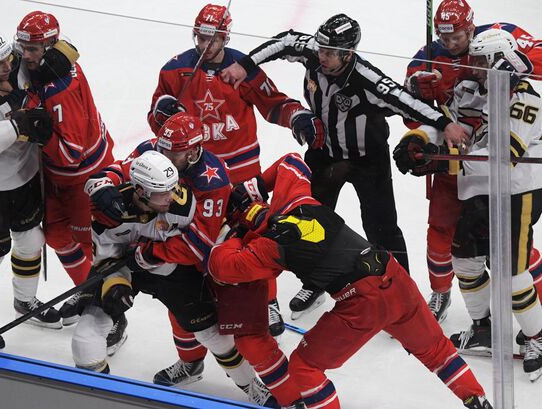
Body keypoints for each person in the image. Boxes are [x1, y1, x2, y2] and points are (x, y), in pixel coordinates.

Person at [220, 13, 470, 320]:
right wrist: (244, 65)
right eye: (321, 49)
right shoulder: (315, 50)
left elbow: (405, 100)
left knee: (381, 228)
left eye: (329, 52)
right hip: (324, 154)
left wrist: (445, 124)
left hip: (368, 161)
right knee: (307, 223)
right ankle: (315, 283)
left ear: (348, 53)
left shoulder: (368, 80)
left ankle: (404, 297)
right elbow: (285, 40)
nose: (321, 56)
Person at [207, 152, 493, 409]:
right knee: (437, 351)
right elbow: (292, 162)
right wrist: (255, 186)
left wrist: (230, 237)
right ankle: (477, 399)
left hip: (361, 302)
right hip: (394, 276)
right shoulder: (295, 201)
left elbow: (220, 266)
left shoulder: (264, 248)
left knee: (304, 367)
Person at [147, 2, 324, 382]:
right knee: (184, 274)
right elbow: (155, 114)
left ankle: (268, 303)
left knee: (255, 243)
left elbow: (273, 103)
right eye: (200, 37)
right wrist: (166, 111)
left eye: (212, 38)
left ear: (226, 37)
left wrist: (298, 116)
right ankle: (191, 360)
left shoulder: (241, 68)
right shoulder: (176, 68)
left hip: (241, 180)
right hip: (191, 182)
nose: (205, 44)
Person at [394, 28, 542, 382]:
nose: (470, 64)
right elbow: (446, 128)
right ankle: (482, 328)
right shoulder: (469, 88)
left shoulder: (526, 99)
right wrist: (416, 139)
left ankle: (537, 337)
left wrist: (440, 162)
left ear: (498, 61)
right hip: (476, 191)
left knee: (510, 270)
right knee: (465, 261)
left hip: (516, 192)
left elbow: (504, 156)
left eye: (479, 59)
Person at [74, 149, 275, 406]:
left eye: (173, 187)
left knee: (212, 335)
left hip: (171, 269)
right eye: (161, 192)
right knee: (86, 333)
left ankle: (251, 385)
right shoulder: (106, 213)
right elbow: (107, 257)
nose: (171, 196)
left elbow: (204, 242)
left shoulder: (182, 202)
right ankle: (96, 399)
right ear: (139, 190)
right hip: (125, 268)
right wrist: (116, 284)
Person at [14, 11, 116, 327]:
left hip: (83, 179)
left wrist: (37, 133)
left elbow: (70, 154)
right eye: (24, 47)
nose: (25, 55)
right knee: (58, 236)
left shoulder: (61, 90)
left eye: (33, 49)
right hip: (57, 178)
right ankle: (88, 292)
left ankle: (109, 315)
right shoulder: (48, 64)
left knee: (92, 246)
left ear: (49, 46)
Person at [0, 28, 57, 348]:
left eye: (7, 57)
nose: (6, 65)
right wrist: (16, 125)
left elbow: (60, 48)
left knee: (32, 241)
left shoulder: (17, 63)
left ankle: (25, 301)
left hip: (27, 178)